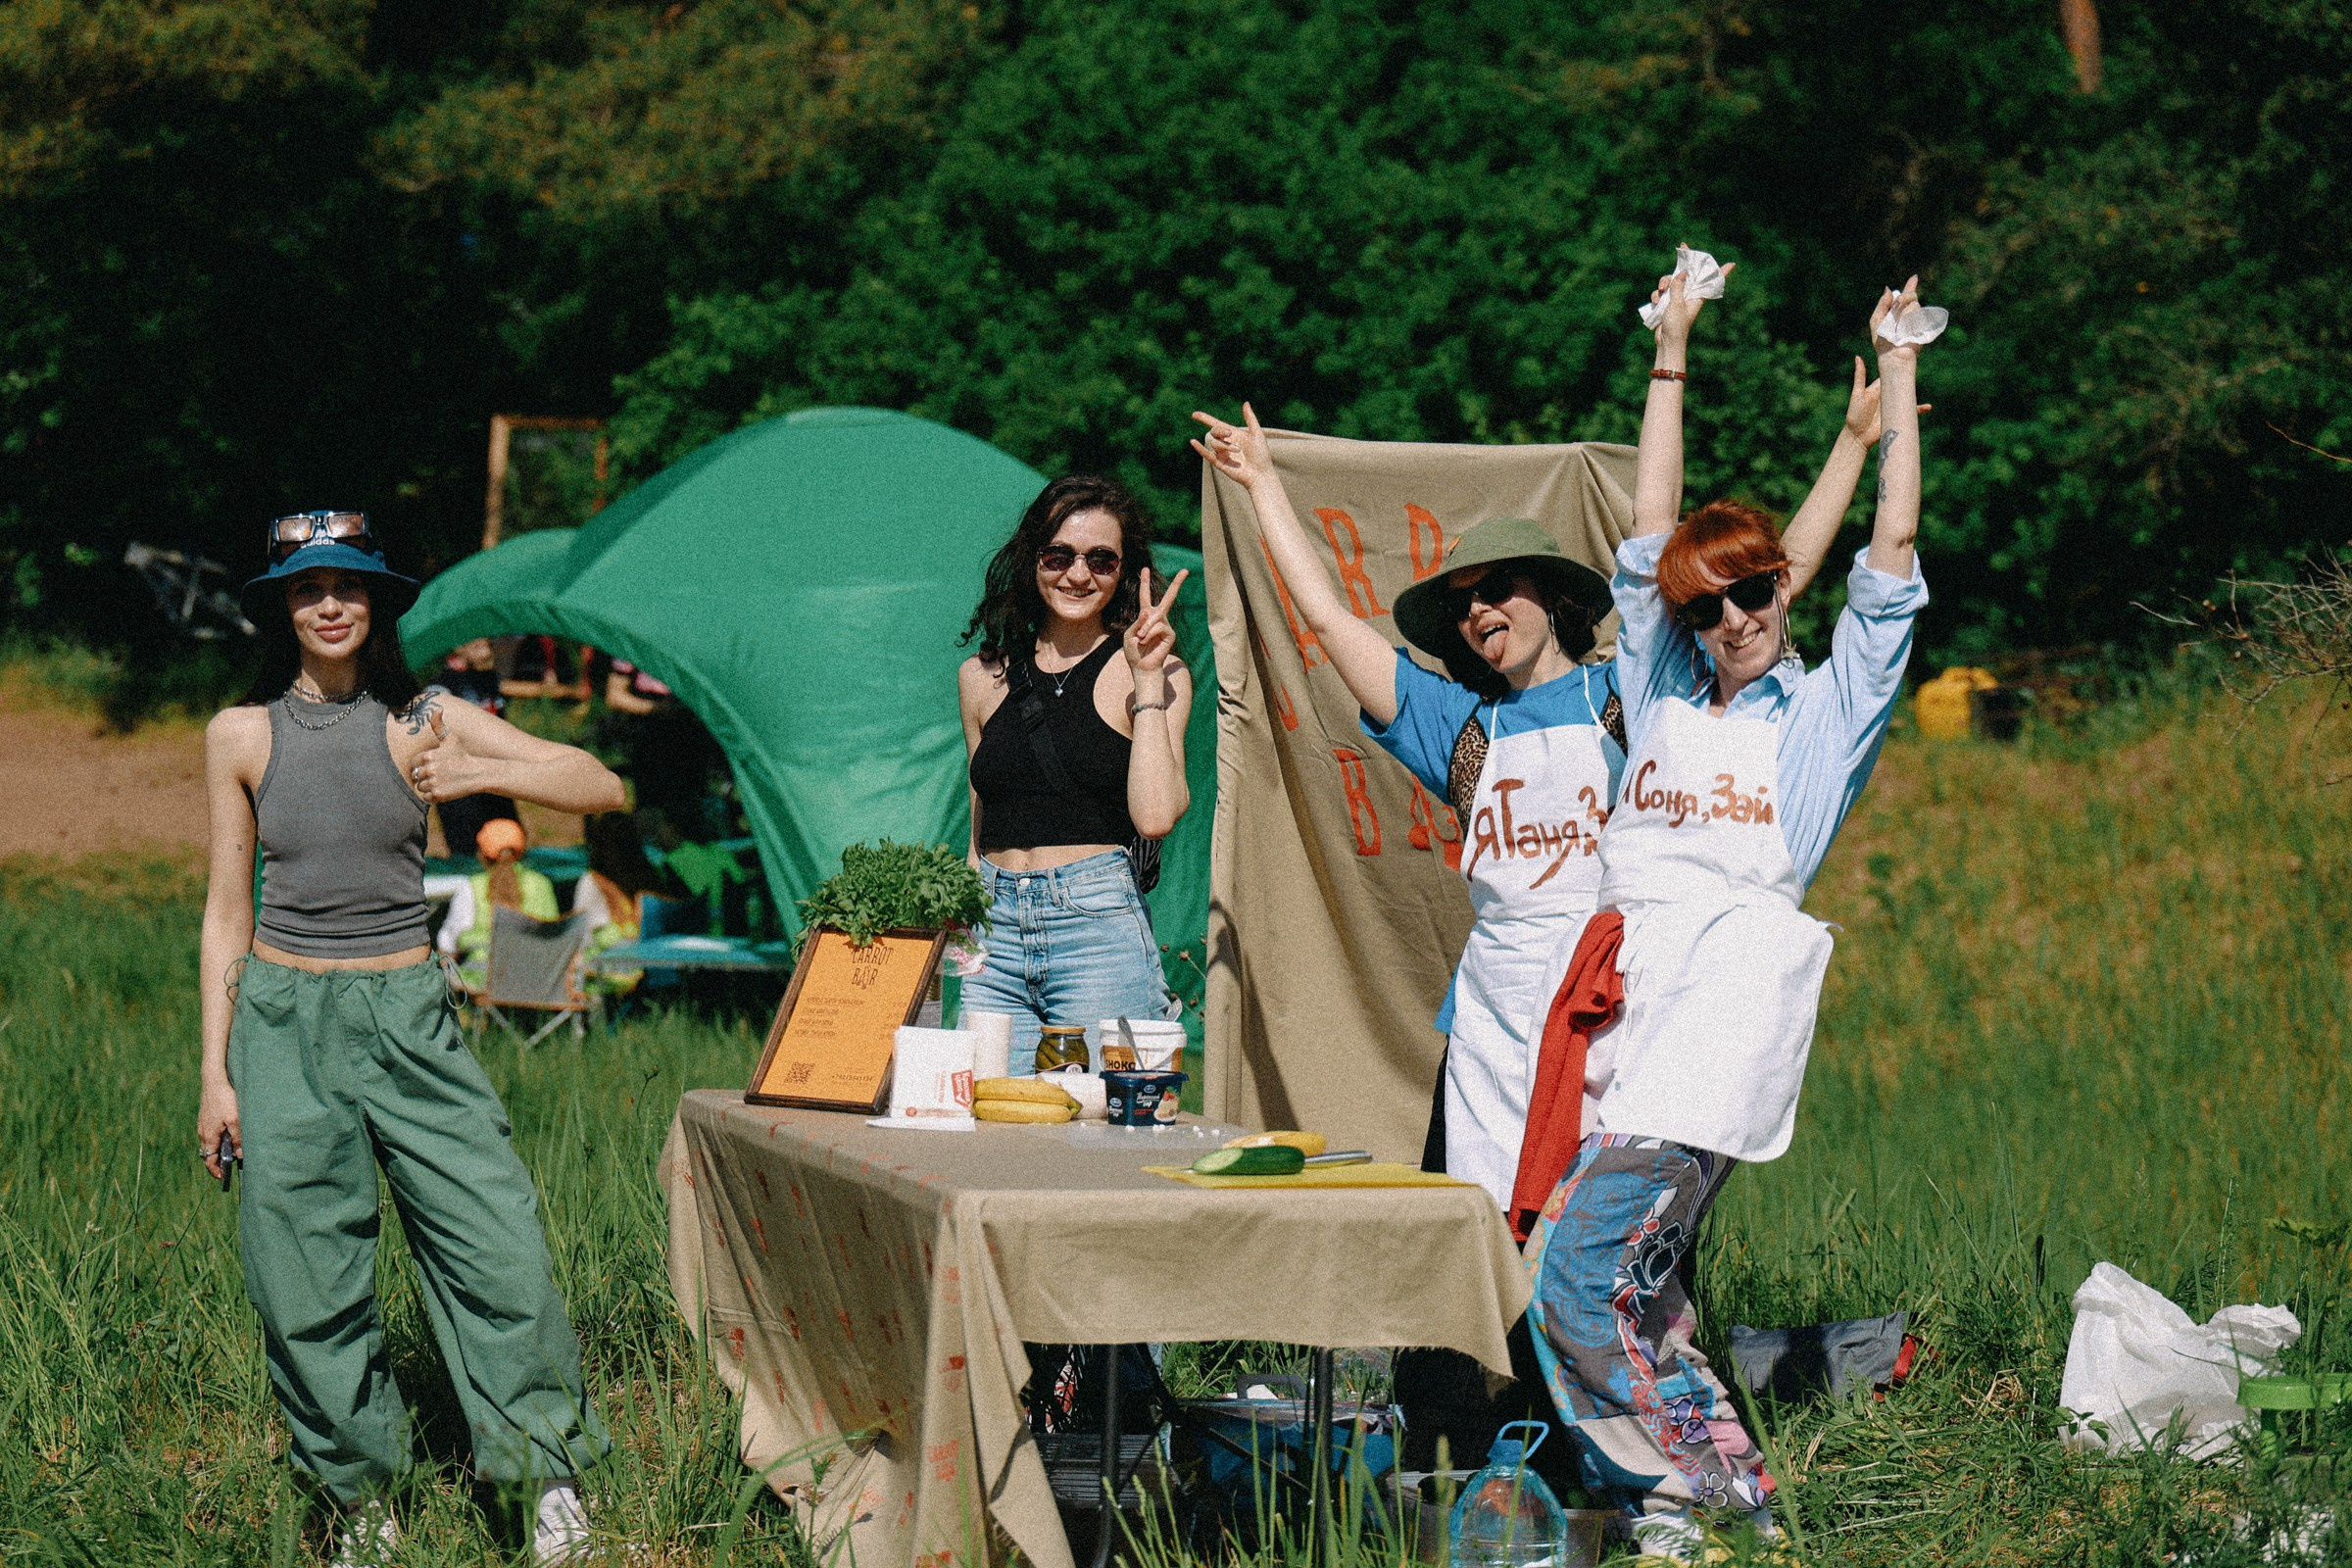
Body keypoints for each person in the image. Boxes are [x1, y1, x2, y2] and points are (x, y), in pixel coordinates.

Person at [1516, 267, 1936, 1557]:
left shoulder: (1817, 722)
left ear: (1783, 594)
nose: (1733, 617)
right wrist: (1672, 351)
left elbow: (1890, 554)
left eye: (1754, 594)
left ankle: (1713, 1493)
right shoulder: (1664, 689)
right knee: (1640, 1293)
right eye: (1706, 606)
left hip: (1719, 1030)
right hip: (1629, 1017)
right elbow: (1652, 525)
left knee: (1582, 1277)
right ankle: (1678, 1506)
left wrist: (1899, 381)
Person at [197, 510, 628, 1565]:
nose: (331, 603)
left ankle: (545, 1477)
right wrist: (215, 1072)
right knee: (305, 1275)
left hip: (410, 1018)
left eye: (349, 584)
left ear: (379, 600)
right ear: (284, 607)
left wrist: (482, 777)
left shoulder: (427, 716)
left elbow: (600, 783)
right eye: (307, 588)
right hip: (285, 1021)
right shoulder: (240, 735)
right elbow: (223, 910)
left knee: (498, 1244)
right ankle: (358, 1503)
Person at [956, 475, 1192, 1075]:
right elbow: (978, 821)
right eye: (1058, 556)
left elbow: (1156, 815)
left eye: (1101, 560)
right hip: (994, 932)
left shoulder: (1161, 676)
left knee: (1102, 1136)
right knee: (981, 1125)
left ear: (1125, 573)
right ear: (1032, 558)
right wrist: (964, 929)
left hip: (1096, 929)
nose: (1078, 575)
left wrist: (1144, 679)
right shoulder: (980, 678)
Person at [443, 816, 562, 993]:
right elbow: (554, 933)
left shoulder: (472, 887)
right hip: (539, 979)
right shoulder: (542, 884)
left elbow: (449, 944)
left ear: (482, 855)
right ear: (521, 852)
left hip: (486, 980)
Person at [434, 637, 518, 858]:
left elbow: (502, 725)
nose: (483, 640)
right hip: (461, 787)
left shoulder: (488, 679)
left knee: (511, 845)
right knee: (470, 857)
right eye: (472, 635)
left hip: (495, 780)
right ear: (456, 643)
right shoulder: (442, 686)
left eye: (486, 637)